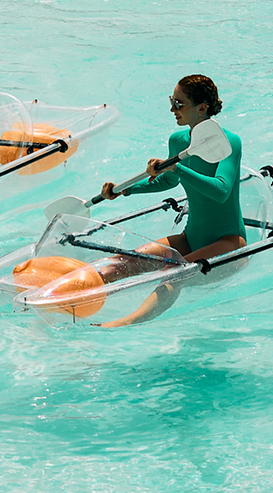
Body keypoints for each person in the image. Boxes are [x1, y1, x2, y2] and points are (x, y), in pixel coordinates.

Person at [91, 73, 243, 326]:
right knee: (126, 261)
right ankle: (69, 295)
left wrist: (177, 168)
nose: (172, 108)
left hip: (228, 244)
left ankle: (121, 325)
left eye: (179, 103)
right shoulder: (178, 140)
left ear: (202, 108)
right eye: (172, 100)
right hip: (189, 239)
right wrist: (124, 189)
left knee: (172, 274)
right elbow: (167, 182)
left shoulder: (230, 142)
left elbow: (221, 190)